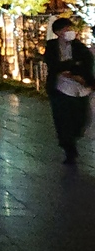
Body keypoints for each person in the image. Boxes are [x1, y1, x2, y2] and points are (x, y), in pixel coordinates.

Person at [43, 17, 95, 164]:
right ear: (58, 32)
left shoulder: (79, 46)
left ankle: (73, 137)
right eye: (66, 29)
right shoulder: (52, 46)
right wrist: (73, 64)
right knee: (63, 120)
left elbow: (86, 63)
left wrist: (71, 70)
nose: (70, 31)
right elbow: (53, 65)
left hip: (80, 87)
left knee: (81, 119)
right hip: (60, 88)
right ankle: (69, 149)